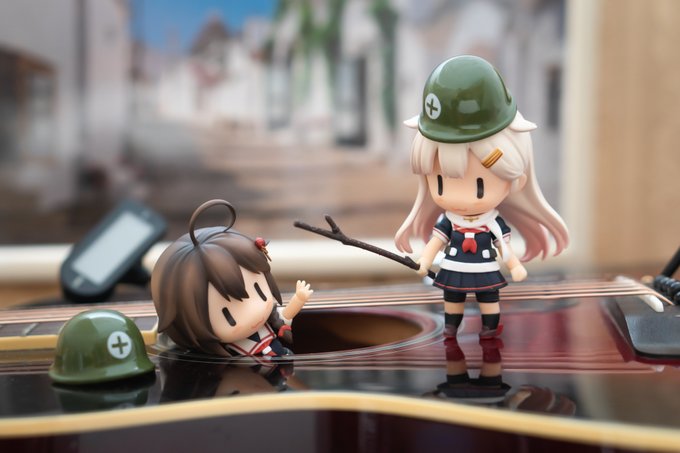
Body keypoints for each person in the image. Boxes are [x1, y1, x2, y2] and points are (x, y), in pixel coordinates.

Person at [395, 55, 569, 338]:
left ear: (516, 181)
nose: (459, 198)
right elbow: (436, 241)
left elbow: (504, 247)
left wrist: (514, 265)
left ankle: (490, 327)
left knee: (489, 299)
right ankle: (451, 326)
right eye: (440, 184)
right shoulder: (449, 221)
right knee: (452, 300)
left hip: (486, 268)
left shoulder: (492, 222)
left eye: (479, 187)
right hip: (453, 267)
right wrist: (424, 261)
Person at [151, 199, 313, 357]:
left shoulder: (268, 321)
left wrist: (298, 299)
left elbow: (285, 316)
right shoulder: (228, 353)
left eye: (260, 292)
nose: (254, 311)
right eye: (228, 315)